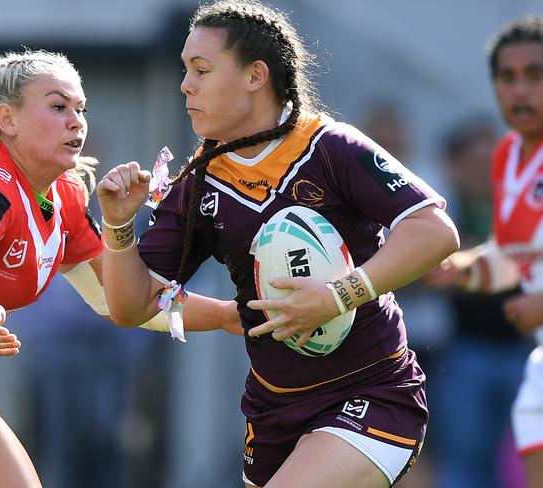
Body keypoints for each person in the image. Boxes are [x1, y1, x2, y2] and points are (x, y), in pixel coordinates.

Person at [96, 1, 460, 487]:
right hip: (273, 407)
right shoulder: (201, 182)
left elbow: (435, 231)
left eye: (201, 69)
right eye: (185, 70)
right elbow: (130, 306)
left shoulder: (331, 148)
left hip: (371, 390)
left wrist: (337, 296)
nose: (185, 84)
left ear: (256, 76)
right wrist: (118, 226)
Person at [0, 49, 239, 487]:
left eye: (81, 109)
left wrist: (228, 314)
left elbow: (123, 302)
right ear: (8, 119)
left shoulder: (66, 199)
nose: (76, 121)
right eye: (58, 107)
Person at [425, 16, 543, 488]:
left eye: (536, 75)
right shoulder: (507, 156)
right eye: (507, 77)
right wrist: (461, 268)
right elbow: (515, 259)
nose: (520, 90)